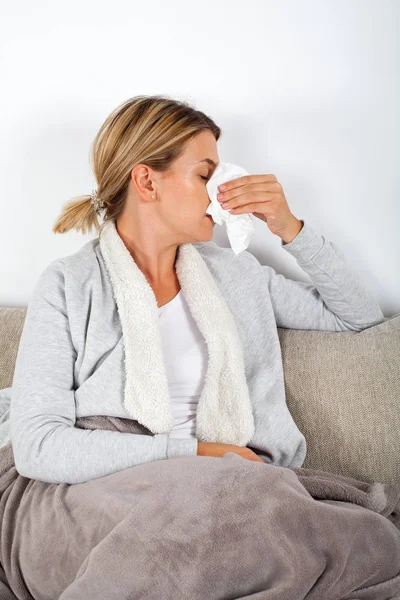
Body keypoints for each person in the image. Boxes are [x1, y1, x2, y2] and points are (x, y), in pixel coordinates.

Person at [9, 94, 385, 485]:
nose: (219, 191)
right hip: (114, 490)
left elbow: (358, 318)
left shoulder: (236, 274)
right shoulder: (68, 285)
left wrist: (289, 226)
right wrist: (197, 454)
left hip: (233, 484)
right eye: (206, 175)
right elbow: (39, 446)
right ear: (147, 182)